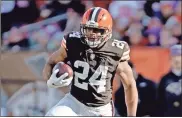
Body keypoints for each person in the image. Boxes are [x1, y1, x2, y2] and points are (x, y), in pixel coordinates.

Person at [43, 7, 138, 116]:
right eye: (88, 28)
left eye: (98, 30)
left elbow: (130, 84)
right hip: (74, 101)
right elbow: (51, 62)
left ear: (108, 31)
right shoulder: (74, 42)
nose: (92, 34)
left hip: (100, 109)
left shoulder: (115, 50)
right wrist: (50, 80)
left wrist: (132, 115)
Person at [156, 44, 182, 116]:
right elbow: (160, 102)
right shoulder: (164, 79)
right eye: (174, 57)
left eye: (179, 57)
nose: (177, 60)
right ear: (170, 60)